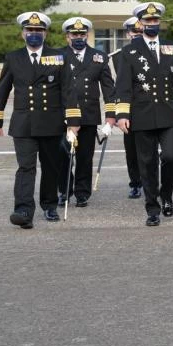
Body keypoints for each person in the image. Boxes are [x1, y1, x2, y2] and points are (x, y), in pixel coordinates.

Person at [0, 12, 80, 228]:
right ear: (23, 33)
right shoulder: (13, 58)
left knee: (50, 167)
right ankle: (23, 210)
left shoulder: (59, 57)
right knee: (26, 167)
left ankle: (49, 206)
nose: (34, 34)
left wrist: (73, 121)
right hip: (23, 123)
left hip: (51, 122)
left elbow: (68, 89)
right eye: (30, 31)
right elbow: (3, 90)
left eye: (38, 31)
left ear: (45, 33)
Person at [115, 2, 173, 227]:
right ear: (140, 23)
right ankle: (152, 208)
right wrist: (122, 115)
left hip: (169, 115)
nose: (152, 24)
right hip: (142, 115)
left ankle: (166, 194)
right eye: (148, 21)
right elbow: (123, 87)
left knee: (170, 156)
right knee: (147, 163)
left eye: (155, 20)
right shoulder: (129, 51)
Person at [57, 17, 115, 209]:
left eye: (82, 34)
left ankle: (82, 193)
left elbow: (108, 88)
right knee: (63, 154)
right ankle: (63, 191)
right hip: (63, 116)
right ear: (67, 37)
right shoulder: (58, 56)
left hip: (89, 116)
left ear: (87, 35)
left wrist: (110, 118)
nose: (79, 37)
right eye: (75, 34)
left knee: (84, 156)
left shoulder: (99, 57)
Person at [110, 17, 145, 199]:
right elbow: (120, 85)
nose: (137, 35)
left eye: (140, 32)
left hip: (147, 107)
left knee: (149, 149)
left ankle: (149, 181)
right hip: (129, 108)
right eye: (134, 32)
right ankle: (135, 183)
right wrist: (118, 112)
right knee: (131, 150)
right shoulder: (120, 55)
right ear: (128, 34)